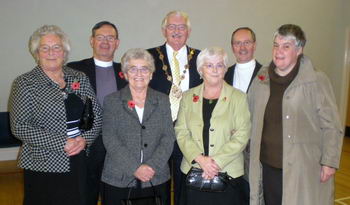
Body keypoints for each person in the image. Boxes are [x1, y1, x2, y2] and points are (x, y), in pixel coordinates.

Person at [248, 24, 344, 205]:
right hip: (267, 166)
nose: (278, 51)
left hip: (303, 168)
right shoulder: (261, 79)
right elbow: (247, 116)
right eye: (276, 45)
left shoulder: (316, 80)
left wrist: (329, 161)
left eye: (286, 46)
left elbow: (332, 125)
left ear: (299, 49)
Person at [9, 25, 102, 205]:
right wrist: (62, 143)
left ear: (64, 52)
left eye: (57, 47)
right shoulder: (25, 83)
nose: (51, 52)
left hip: (79, 158)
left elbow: (96, 115)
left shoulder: (78, 77)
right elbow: (19, 126)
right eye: (45, 48)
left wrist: (85, 140)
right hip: (42, 162)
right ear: (36, 52)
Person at [175, 47, 251, 205]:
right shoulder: (188, 97)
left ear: (225, 69)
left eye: (220, 65)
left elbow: (242, 134)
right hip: (193, 172)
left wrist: (215, 163)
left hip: (228, 174)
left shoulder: (238, 97)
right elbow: (181, 132)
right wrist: (200, 160)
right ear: (200, 69)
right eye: (209, 65)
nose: (215, 70)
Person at [101, 48, 175, 205]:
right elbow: (110, 138)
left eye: (144, 69)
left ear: (151, 73)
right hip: (119, 177)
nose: (139, 74)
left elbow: (168, 137)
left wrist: (152, 166)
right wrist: (134, 167)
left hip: (155, 177)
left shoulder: (162, 100)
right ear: (126, 74)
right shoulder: (112, 101)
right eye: (133, 69)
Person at [67, 21, 127, 205]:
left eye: (110, 38)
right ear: (91, 41)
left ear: (117, 43)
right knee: (86, 194)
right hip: (87, 144)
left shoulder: (127, 71)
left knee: (116, 194)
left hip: (119, 144)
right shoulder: (73, 70)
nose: (105, 42)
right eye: (100, 37)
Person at [147, 11, 202, 205]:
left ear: (189, 31)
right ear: (164, 30)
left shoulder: (201, 58)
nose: (177, 31)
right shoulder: (149, 57)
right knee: (157, 181)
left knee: (184, 182)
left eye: (181, 27)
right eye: (172, 26)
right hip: (157, 132)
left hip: (188, 132)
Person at [224, 27, 262, 93]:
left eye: (247, 42)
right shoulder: (224, 75)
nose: (242, 48)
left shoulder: (266, 74)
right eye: (238, 43)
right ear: (232, 48)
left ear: (254, 45)